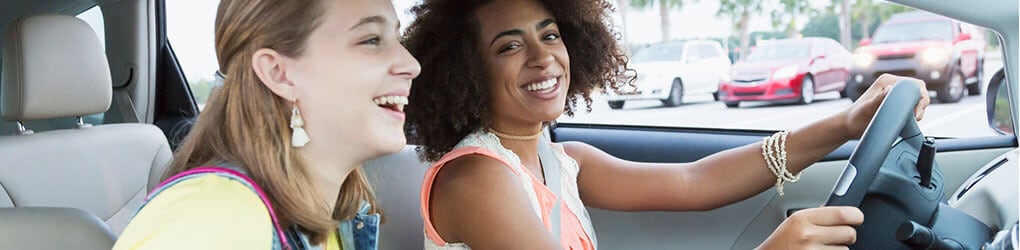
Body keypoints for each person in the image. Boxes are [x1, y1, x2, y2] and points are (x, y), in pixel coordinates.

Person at [401, 0, 930, 249]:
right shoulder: (477, 178)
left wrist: (848, 121)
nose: (544, 58)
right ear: (467, 70)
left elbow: (693, 182)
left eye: (551, 35)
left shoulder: (560, 159)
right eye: (510, 46)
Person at [113, 0, 420, 249]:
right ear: (278, 74)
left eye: (397, 38)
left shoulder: (341, 215)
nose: (411, 64)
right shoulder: (212, 217)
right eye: (371, 40)